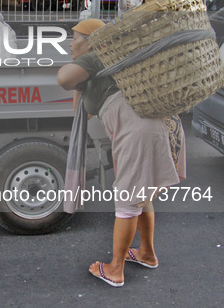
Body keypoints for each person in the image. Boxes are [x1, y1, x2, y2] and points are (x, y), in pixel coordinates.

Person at [57, 18, 186, 287]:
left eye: (76, 38)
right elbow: (85, 110)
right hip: (151, 128)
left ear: (92, 41)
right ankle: (147, 254)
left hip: (140, 132)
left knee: (127, 200)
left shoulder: (96, 57)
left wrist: (83, 67)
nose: (71, 44)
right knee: (141, 196)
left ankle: (115, 269)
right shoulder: (108, 65)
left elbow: (63, 78)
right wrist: (84, 82)